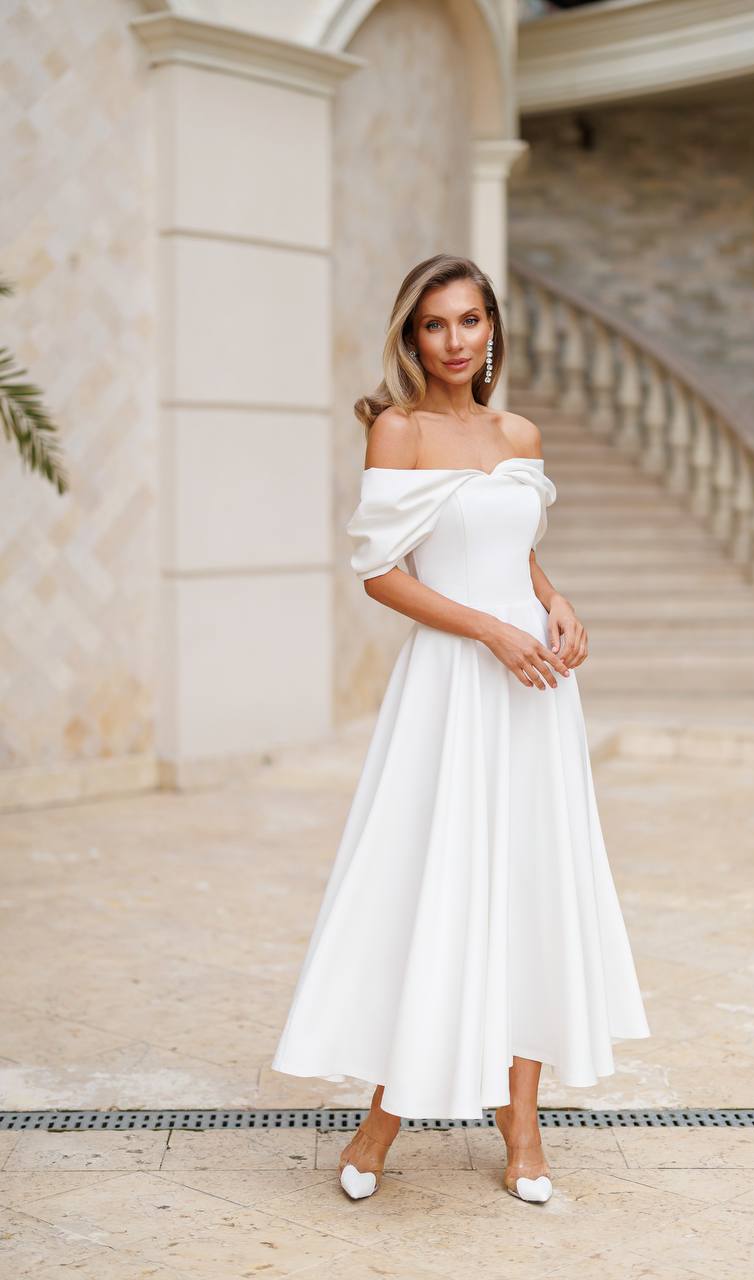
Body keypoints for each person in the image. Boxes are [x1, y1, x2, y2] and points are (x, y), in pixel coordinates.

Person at [271, 253, 651, 1204]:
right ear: (411, 336)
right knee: (430, 882)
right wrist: (487, 631)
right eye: (433, 325)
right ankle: (382, 1117)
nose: (453, 341)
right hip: (452, 682)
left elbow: (512, 552)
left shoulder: (517, 431)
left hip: (534, 688)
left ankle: (521, 1123)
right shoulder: (397, 432)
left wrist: (556, 603)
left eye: (468, 321)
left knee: (529, 884)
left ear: (492, 328)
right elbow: (383, 574)